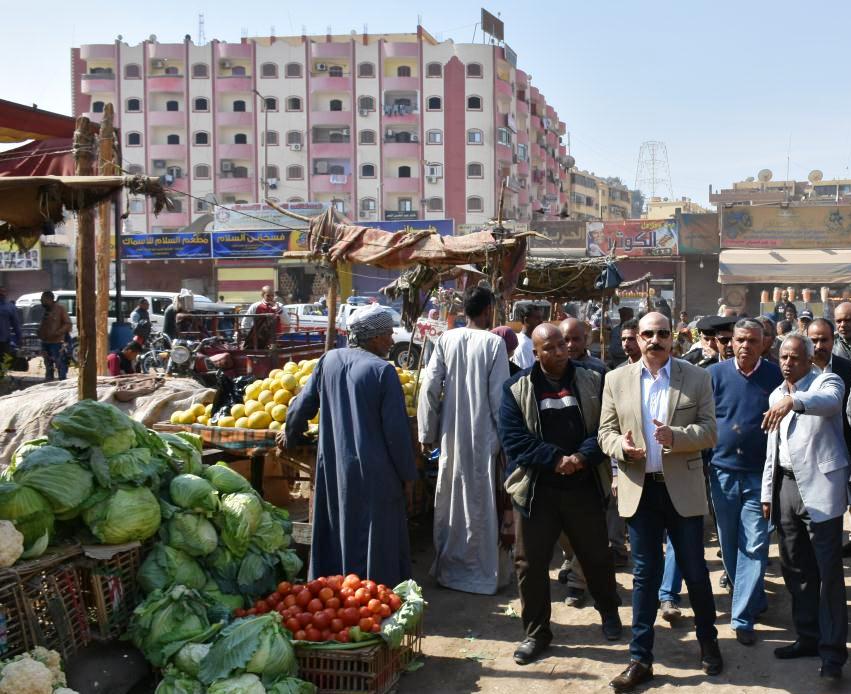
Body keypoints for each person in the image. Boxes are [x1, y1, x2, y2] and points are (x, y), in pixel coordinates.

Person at [599, 312, 721, 691]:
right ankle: (640, 659)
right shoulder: (616, 379)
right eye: (648, 333)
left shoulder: (696, 377)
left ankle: (709, 644)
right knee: (644, 577)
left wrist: (675, 437)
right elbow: (605, 432)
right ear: (636, 337)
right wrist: (622, 447)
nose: (655, 340)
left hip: (681, 489)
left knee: (695, 571)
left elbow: (710, 431)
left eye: (662, 333)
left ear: (674, 337)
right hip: (641, 490)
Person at [500, 323, 621, 665]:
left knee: (596, 555)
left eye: (562, 345)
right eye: (549, 348)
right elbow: (514, 440)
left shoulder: (592, 379)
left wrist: (581, 458)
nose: (559, 352)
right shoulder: (516, 388)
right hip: (538, 490)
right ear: (534, 353)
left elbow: (604, 428)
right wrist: (555, 460)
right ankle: (536, 633)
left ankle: (609, 613)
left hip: (583, 485)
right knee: (529, 564)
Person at [279, 303, 417, 586]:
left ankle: (334, 595)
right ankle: (372, 601)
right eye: (388, 334)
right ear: (374, 337)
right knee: (375, 539)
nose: (391, 340)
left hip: (334, 470)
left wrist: (290, 436)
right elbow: (397, 434)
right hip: (376, 474)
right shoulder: (383, 372)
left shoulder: (328, 360)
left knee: (337, 530)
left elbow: (301, 406)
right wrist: (408, 475)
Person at [761, 334, 848, 681]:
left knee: (828, 575)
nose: (787, 363)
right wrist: (768, 493)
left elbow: (829, 402)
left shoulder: (828, 380)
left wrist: (794, 402)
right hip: (786, 488)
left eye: (795, 358)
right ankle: (808, 637)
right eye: (783, 356)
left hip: (821, 489)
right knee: (795, 568)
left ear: (809, 359)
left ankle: (832, 657)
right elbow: (772, 450)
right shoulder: (775, 394)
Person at [418, 286, 511, 594]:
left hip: (451, 435)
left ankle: (450, 568)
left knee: (450, 499)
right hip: (485, 437)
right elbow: (500, 397)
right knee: (482, 503)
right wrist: (506, 441)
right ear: (487, 311)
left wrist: (426, 433)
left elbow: (429, 387)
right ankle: (480, 574)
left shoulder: (446, 339)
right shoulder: (495, 344)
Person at [706, 319, 782, 645]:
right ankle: (751, 599)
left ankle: (742, 617)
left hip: (759, 474)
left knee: (755, 543)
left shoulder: (776, 376)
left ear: (763, 342)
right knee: (729, 544)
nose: (745, 346)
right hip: (721, 471)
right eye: (740, 340)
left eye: (752, 340)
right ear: (731, 341)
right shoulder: (714, 375)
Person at [556, 316, 608, 604]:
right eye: (565, 340)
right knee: (562, 526)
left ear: (587, 339)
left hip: (590, 461)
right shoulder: (548, 373)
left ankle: (577, 581)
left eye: (576, 339)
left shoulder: (600, 372)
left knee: (587, 524)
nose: (571, 345)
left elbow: (605, 420)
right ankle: (570, 557)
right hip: (558, 465)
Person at [807, 318, 851, 559]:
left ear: (833, 341)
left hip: (843, 447)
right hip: (809, 453)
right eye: (813, 340)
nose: (818, 345)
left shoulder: (846, 369)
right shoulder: (798, 369)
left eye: (824, 340)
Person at [37, 291, 72, 381]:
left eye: (43, 299)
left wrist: (57, 333)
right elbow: (43, 326)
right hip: (45, 342)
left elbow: (67, 324)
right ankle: (49, 381)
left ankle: (62, 382)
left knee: (60, 364)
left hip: (57, 343)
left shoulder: (60, 309)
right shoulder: (45, 311)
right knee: (48, 365)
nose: (42, 301)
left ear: (50, 299)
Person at [512, 304, 543, 370]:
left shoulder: (532, 341)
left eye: (541, 318)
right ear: (526, 320)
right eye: (537, 318)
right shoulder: (523, 345)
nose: (541, 321)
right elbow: (525, 373)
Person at [0, 286, 22, 359]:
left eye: (3, 291)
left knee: (4, 364)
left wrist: (19, 339)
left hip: (4, 340)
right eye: (0, 291)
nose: (1, 293)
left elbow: (16, 325)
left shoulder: (10, 307)